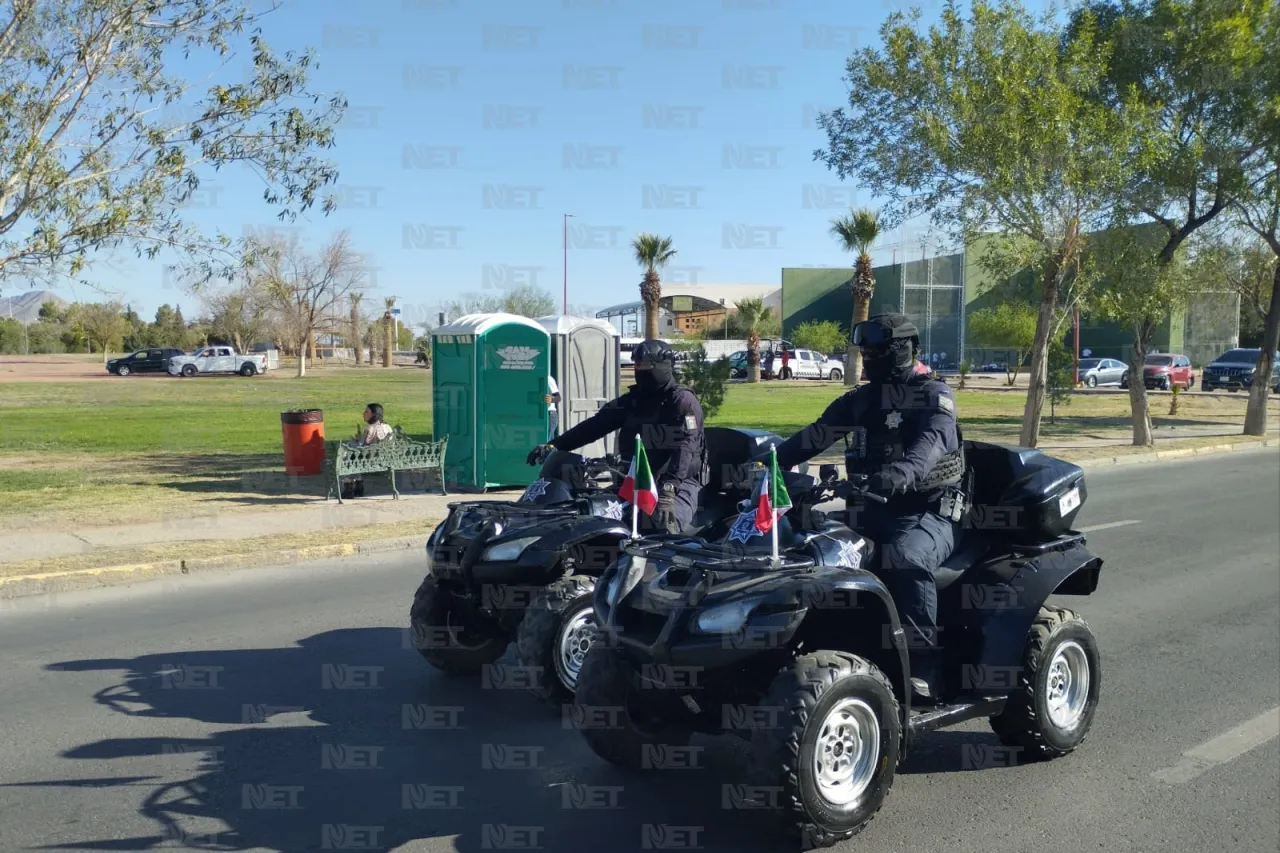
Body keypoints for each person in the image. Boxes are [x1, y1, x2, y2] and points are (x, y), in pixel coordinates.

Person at [772, 313, 966, 702]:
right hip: (869, 510)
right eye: (866, 352)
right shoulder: (860, 400)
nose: (869, 359)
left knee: (905, 559)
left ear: (904, 350)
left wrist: (903, 472)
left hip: (927, 513)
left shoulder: (932, 395)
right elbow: (813, 437)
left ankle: (922, 668)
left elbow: (932, 443)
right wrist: (765, 463)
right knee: (812, 548)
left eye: (878, 352)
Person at [526, 339, 706, 534]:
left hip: (678, 483)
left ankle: (671, 562)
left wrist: (670, 490)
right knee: (591, 516)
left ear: (664, 365)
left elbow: (686, 446)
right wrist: (555, 445)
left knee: (664, 524)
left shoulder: (682, 401)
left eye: (647, 365)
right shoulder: (633, 401)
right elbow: (594, 426)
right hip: (634, 482)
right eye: (637, 365)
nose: (641, 370)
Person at [342, 403, 394, 498]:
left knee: (349, 453)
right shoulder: (387, 427)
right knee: (353, 454)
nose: (363, 413)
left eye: (366, 412)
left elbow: (362, 447)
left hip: (371, 459)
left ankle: (349, 485)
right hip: (385, 458)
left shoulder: (370, 428)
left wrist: (355, 441)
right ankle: (358, 485)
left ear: (374, 414)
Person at [546, 375, 561, 441]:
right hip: (539, 416)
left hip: (550, 415)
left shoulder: (548, 378)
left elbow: (558, 397)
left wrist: (551, 400)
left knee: (547, 443)